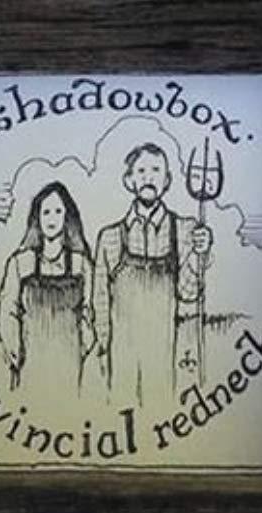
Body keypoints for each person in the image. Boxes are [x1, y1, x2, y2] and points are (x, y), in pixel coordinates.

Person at [93, 142, 212, 408]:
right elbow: (100, 299)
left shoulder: (185, 230)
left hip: (166, 352)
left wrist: (199, 253)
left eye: (156, 170)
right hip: (121, 353)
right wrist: (102, 344)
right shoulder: (110, 237)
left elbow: (189, 293)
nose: (149, 177)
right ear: (128, 180)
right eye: (141, 171)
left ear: (167, 180)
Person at [0, 181, 95, 399]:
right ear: (37, 218)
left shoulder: (81, 264)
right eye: (46, 212)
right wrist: (17, 355)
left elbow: (90, 309)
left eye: (58, 212)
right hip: (30, 362)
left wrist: (82, 348)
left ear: (67, 217)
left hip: (71, 364)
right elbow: (7, 311)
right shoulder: (20, 263)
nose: (52, 218)